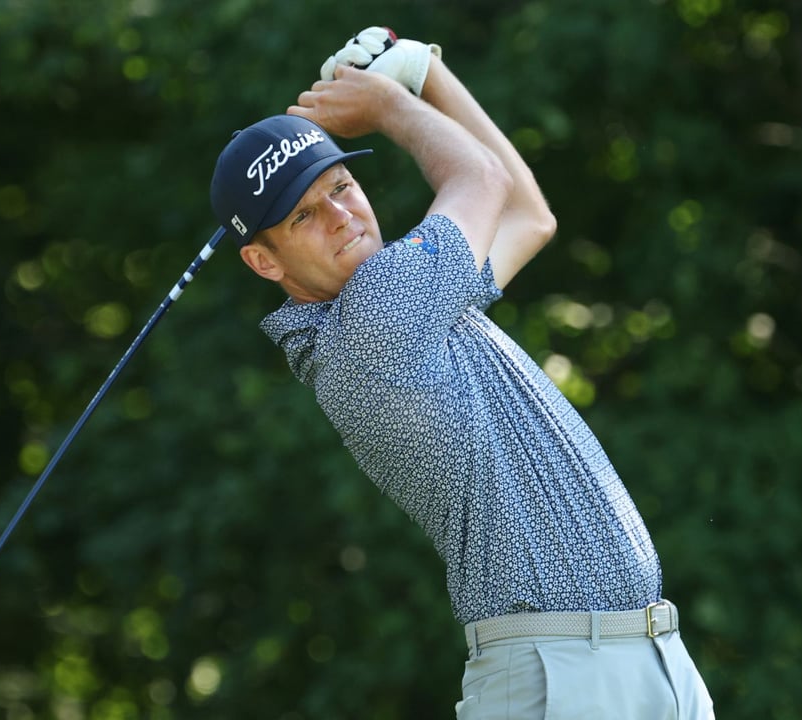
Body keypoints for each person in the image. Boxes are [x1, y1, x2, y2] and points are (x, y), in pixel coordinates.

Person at [209, 27, 714, 719]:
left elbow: (528, 217)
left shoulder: (421, 303)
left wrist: (426, 74)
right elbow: (483, 179)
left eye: (343, 185)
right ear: (266, 262)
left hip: (649, 660)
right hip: (559, 678)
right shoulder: (378, 316)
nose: (340, 215)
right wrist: (389, 104)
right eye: (303, 215)